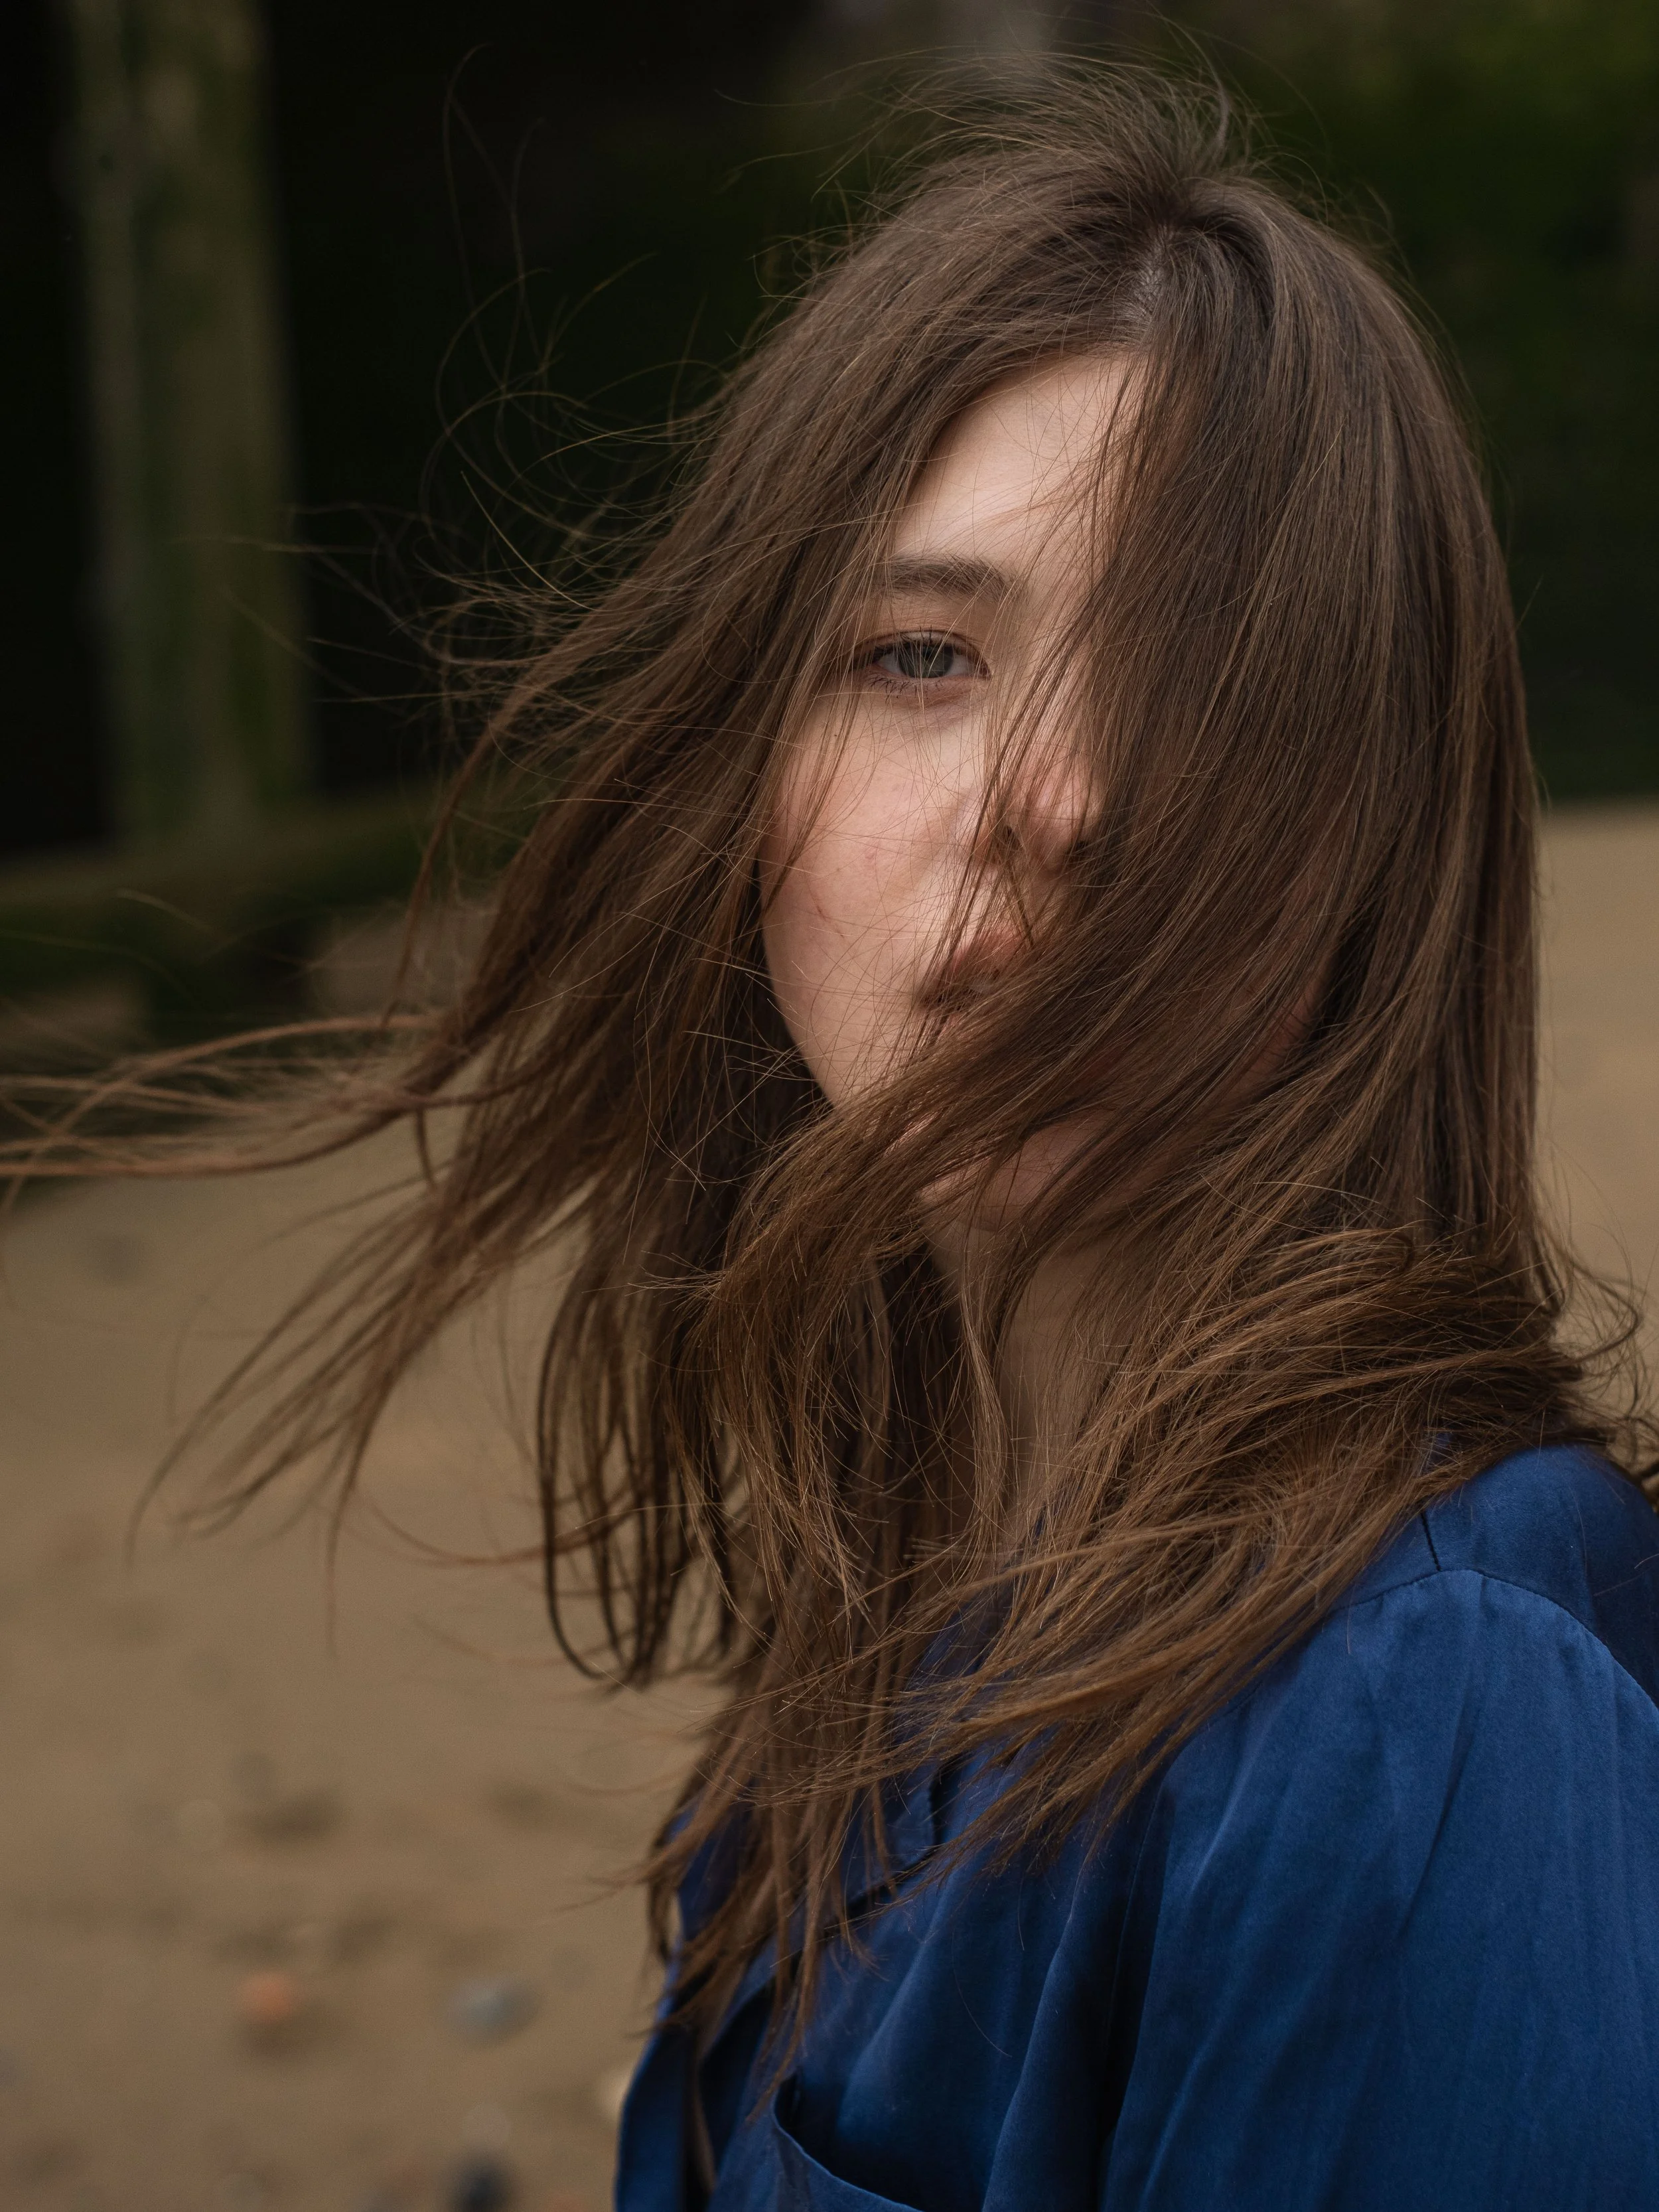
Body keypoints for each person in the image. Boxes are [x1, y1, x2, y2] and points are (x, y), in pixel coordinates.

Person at [22, 69, 1659, 2209]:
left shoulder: (1436, 1701)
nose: (1056, 800)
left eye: (1203, 679)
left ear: (1381, 840)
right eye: (917, 655)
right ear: (743, 784)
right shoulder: (915, 1564)